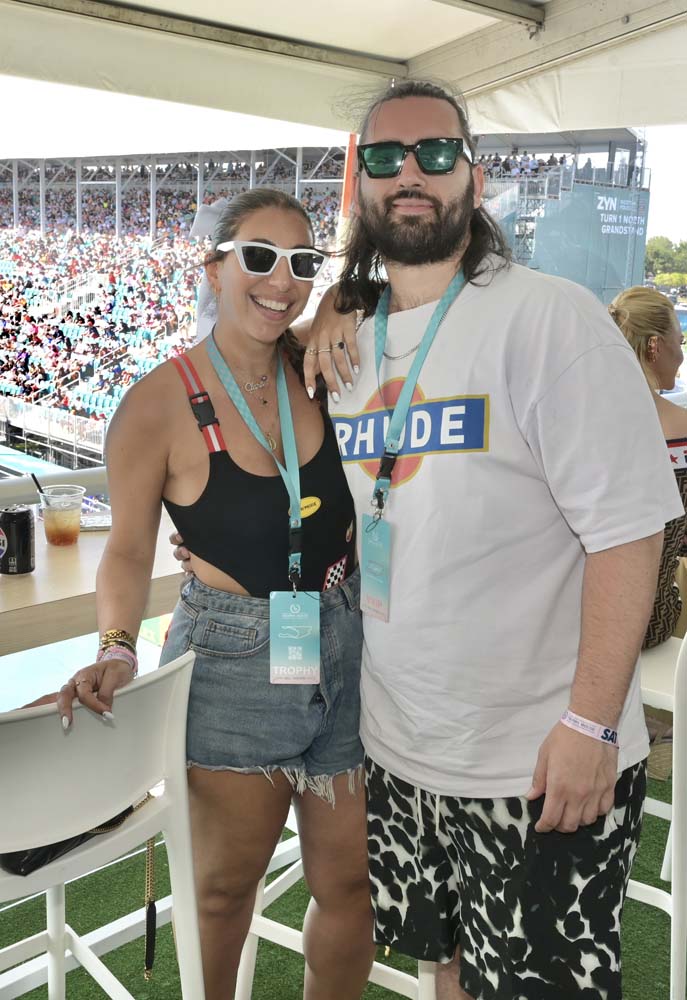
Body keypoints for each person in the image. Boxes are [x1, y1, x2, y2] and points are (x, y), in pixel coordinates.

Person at [302, 79, 683, 1000]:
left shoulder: (550, 319)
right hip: (401, 742)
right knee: (449, 972)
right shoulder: (343, 340)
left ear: (474, 176)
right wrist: (329, 304)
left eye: (435, 154)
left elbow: (630, 530)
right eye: (387, 157)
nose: (410, 176)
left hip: (539, 752)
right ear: (359, 183)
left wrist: (592, 722)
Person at [53, 188, 375, 1000]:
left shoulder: (320, 362)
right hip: (230, 661)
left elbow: (386, 282)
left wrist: (340, 295)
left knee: (349, 889)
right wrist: (117, 646)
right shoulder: (156, 404)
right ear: (215, 265)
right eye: (258, 257)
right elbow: (126, 551)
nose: (281, 280)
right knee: (224, 893)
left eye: (302, 263)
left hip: (341, 639)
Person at [609, 285, 687, 646]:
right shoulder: (682, 431)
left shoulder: (576, 425)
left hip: (568, 625)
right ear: (655, 346)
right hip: (649, 624)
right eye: (680, 340)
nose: (682, 355)